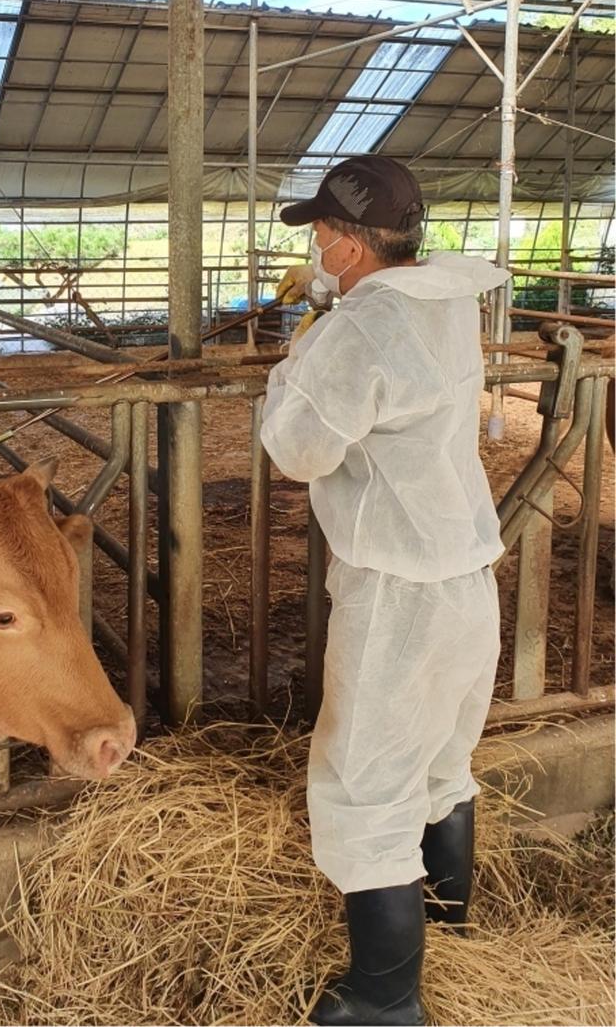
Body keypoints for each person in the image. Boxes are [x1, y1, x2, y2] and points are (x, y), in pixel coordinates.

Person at [259, 154, 509, 1027]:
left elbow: (298, 450)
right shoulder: (444, 300)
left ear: (353, 245)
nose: (317, 246)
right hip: (467, 577)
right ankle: (452, 925)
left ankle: (384, 995)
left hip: (397, 589)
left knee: (365, 790)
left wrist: (298, 350)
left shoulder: (357, 332)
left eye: (324, 233)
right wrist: (334, 313)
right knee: (441, 766)